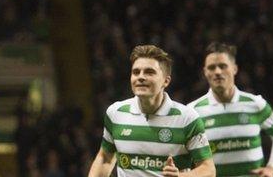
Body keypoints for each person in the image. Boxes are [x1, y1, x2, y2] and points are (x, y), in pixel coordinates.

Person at [88, 45, 215, 177]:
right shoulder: (116, 113)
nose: (140, 77)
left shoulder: (187, 118)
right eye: (136, 72)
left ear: (166, 81)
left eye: (149, 72)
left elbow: (208, 170)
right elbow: (105, 159)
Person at [188, 43, 273, 177]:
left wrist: (272, 168)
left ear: (234, 69)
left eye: (223, 66)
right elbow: (180, 153)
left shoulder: (256, 104)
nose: (217, 72)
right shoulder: (192, 112)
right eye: (212, 67)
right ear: (205, 72)